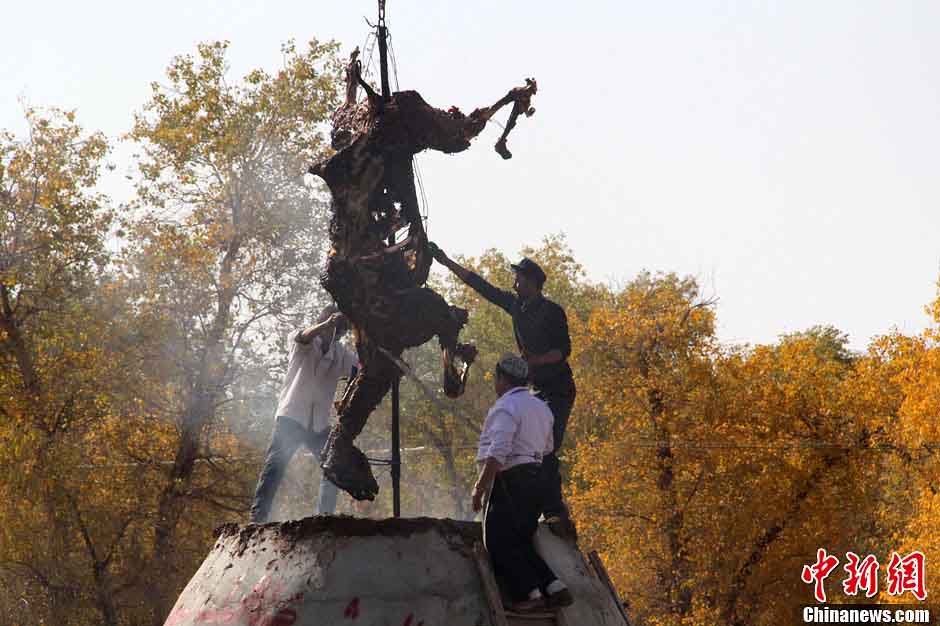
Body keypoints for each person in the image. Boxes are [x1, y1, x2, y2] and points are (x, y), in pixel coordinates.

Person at [432, 245, 577, 538]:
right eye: (515, 281)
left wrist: (537, 360)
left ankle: (554, 513)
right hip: (535, 391)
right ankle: (532, 507)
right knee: (524, 448)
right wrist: (447, 261)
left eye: (520, 280)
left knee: (546, 447)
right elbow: (482, 286)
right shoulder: (515, 306)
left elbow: (563, 351)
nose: (515, 285)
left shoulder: (552, 312)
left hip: (558, 390)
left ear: (535, 283)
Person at [473, 355, 574, 613]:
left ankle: (529, 594)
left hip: (511, 480)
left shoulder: (506, 407)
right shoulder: (541, 407)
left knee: (496, 540)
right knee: (520, 539)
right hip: (538, 478)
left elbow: (498, 452)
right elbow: (549, 446)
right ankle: (554, 586)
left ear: (502, 379)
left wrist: (480, 488)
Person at [249, 305, 358, 523]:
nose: (336, 331)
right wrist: (326, 325)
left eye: (341, 328)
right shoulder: (303, 341)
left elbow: (361, 367)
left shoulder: (341, 354)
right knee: (275, 467)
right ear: (323, 322)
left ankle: (324, 516)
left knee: (334, 466)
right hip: (292, 418)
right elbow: (304, 336)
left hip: (318, 424)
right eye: (333, 325)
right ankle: (258, 518)